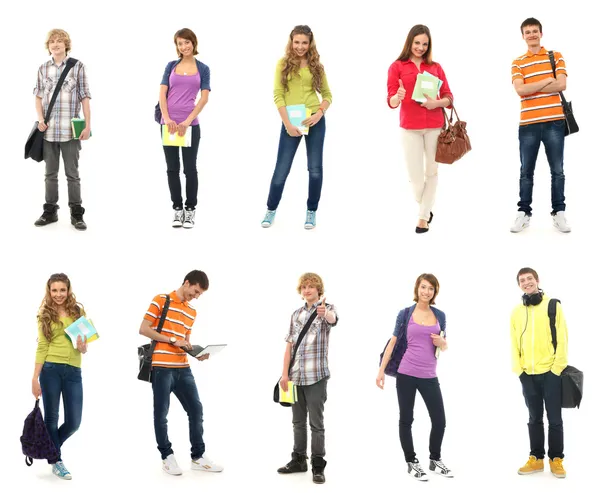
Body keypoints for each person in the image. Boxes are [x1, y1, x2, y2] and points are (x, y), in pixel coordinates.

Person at [138, 270, 223, 475]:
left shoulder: (191, 312)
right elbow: (144, 329)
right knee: (161, 414)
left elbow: (185, 341)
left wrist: (196, 353)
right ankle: (167, 457)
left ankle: (198, 456)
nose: (195, 297)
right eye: (194, 291)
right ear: (186, 283)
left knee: (196, 410)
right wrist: (172, 340)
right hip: (161, 366)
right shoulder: (161, 300)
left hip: (183, 367)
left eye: (199, 295)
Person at [376, 273, 452, 481]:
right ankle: (412, 462)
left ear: (435, 292)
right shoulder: (405, 313)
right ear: (417, 288)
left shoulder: (441, 315)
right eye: (423, 287)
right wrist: (381, 371)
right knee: (406, 419)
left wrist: (441, 343)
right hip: (406, 373)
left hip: (429, 375)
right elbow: (392, 342)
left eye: (431, 288)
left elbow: (444, 345)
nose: (426, 292)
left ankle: (435, 459)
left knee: (439, 420)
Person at [261, 25, 332, 230]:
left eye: (304, 42)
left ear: (310, 44)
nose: (300, 46)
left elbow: (327, 95)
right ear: (291, 42)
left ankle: (311, 211)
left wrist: (319, 114)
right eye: (297, 42)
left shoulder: (316, 66)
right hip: (290, 121)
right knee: (281, 170)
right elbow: (278, 95)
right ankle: (271, 209)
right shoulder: (282, 64)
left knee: (315, 170)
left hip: (315, 121)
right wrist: (288, 125)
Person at [387, 25, 453, 234]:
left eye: (425, 44)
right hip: (410, 127)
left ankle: (423, 217)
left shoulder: (435, 67)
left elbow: (449, 97)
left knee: (431, 171)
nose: (421, 47)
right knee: (415, 176)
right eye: (417, 43)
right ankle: (426, 205)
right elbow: (391, 100)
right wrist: (397, 97)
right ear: (410, 42)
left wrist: (437, 103)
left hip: (434, 126)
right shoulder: (397, 66)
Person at [510, 18, 571, 233]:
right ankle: (523, 213)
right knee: (526, 171)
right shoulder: (518, 62)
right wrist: (547, 81)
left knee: (558, 170)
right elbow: (520, 90)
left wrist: (532, 86)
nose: (531, 35)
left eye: (535, 31)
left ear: (541, 33)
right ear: (523, 36)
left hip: (554, 121)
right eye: (527, 32)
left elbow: (562, 84)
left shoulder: (555, 56)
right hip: (528, 124)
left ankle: (559, 213)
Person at [277, 273, 338, 483]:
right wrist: (285, 374)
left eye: (311, 286)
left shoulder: (327, 309)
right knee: (297, 422)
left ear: (318, 289)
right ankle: (299, 460)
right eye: (304, 287)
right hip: (295, 376)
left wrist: (326, 313)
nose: (307, 290)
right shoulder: (295, 314)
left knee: (316, 423)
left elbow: (333, 319)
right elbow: (289, 345)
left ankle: (318, 465)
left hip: (316, 377)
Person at [511, 267, 568, 478]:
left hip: (551, 372)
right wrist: (519, 370)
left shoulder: (553, 305)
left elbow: (562, 338)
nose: (526, 282)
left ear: (537, 280)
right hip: (528, 374)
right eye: (522, 280)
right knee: (534, 418)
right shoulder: (517, 312)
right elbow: (513, 342)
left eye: (529, 278)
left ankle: (556, 459)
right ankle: (536, 459)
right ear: (519, 285)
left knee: (555, 419)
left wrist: (556, 369)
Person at [32, 273, 89, 480]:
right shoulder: (44, 314)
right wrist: (34, 378)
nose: (58, 294)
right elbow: (42, 346)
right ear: (49, 291)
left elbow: (83, 346)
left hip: (73, 370)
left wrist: (83, 346)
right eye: (54, 290)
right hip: (50, 370)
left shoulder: (77, 311)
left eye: (62, 290)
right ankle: (56, 459)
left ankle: (51, 447)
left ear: (68, 290)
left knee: (74, 422)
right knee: (52, 418)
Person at [33, 29, 92, 230]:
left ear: (66, 44)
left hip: (70, 131)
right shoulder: (43, 68)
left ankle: (77, 212)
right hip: (48, 132)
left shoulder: (78, 67)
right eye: (52, 41)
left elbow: (85, 96)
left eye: (60, 41)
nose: (56, 44)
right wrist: (40, 119)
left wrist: (87, 125)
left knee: (72, 174)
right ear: (48, 45)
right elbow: (38, 97)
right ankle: (50, 211)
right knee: (50, 174)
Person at [158, 28, 211, 229]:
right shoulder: (171, 66)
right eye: (180, 43)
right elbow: (162, 94)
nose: (184, 46)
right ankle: (177, 209)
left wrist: (187, 121)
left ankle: (190, 210)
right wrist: (167, 118)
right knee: (172, 169)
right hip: (168, 125)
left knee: (190, 169)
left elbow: (204, 98)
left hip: (189, 126)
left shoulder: (203, 68)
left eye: (187, 42)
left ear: (193, 43)